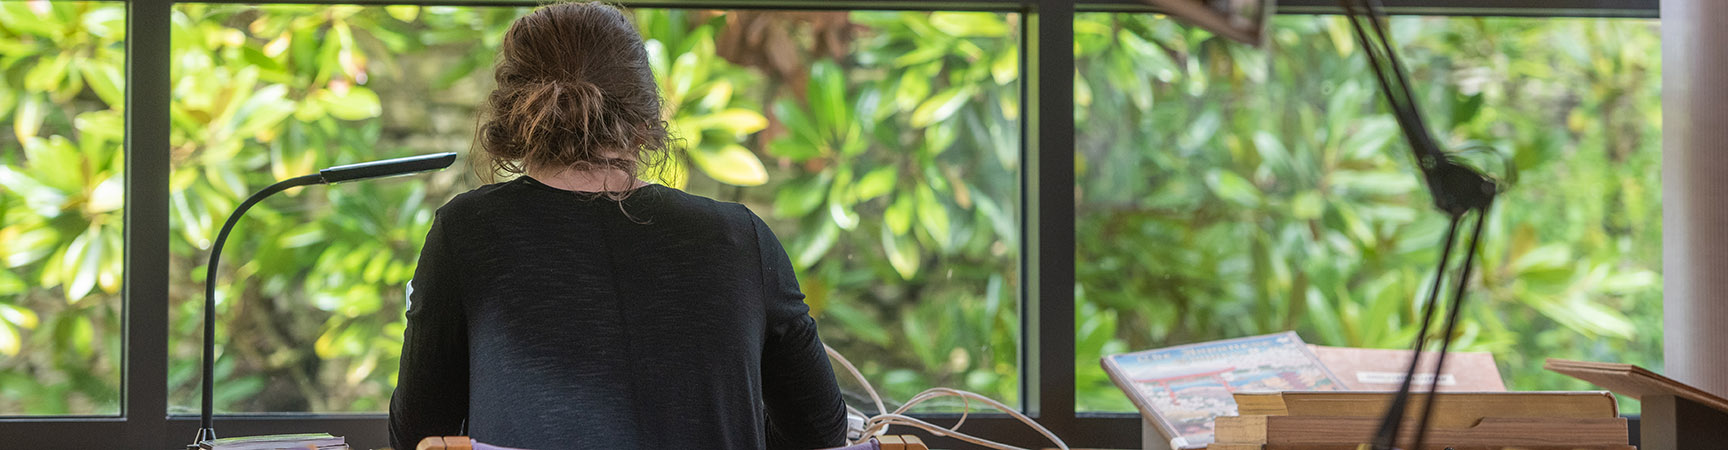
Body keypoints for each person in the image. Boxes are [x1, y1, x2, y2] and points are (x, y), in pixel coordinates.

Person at [387, 3, 848, 449]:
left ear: (513, 112)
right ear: (647, 114)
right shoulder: (741, 238)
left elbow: (419, 436)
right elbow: (820, 432)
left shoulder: (465, 233)